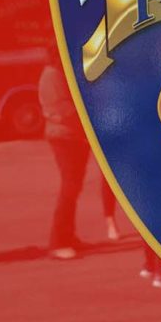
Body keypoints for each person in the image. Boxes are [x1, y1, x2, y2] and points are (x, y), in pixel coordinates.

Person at [39, 61, 118, 259]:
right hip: (64, 137)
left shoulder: (68, 70)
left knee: (74, 187)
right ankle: (58, 243)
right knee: (69, 187)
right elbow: (62, 109)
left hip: (76, 136)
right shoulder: (52, 74)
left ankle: (68, 235)